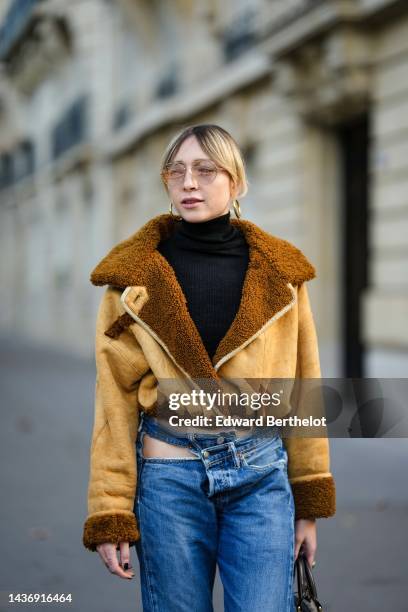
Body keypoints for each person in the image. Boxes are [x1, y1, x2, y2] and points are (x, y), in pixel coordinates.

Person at [82, 124, 336, 611]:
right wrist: (111, 508)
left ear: (236, 182)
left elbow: (304, 384)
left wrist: (309, 502)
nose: (188, 183)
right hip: (168, 478)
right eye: (176, 172)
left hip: (260, 475)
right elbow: (113, 399)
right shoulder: (131, 280)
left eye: (205, 170)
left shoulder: (282, 274)